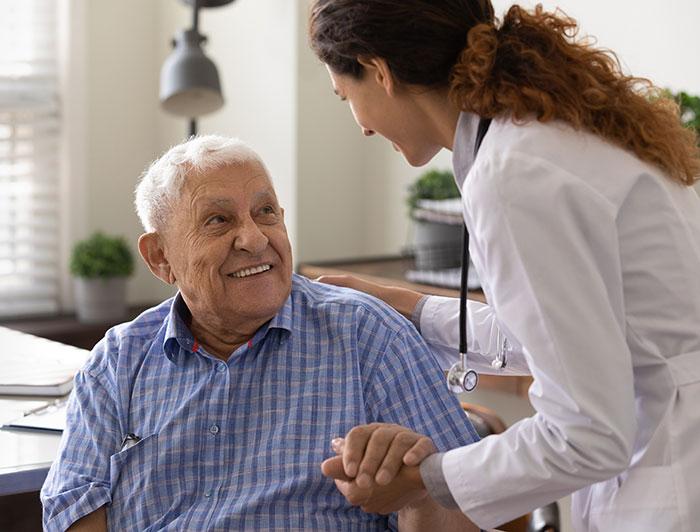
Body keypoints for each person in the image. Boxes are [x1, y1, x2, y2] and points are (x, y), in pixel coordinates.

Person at [308, 1, 700, 530]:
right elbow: (577, 334)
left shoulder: (513, 175)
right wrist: (414, 308)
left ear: (378, 72)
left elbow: (585, 436)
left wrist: (427, 479)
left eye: (344, 96)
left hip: (675, 474)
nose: (360, 127)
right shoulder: (549, 132)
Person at [40, 135, 480, 531]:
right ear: (160, 258)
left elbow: (467, 516)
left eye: (265, 212)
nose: (253, 238)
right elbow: (72, 508)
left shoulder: (368, 337)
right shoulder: (118, 360)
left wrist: (418, 490)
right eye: (218, 221)